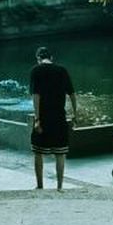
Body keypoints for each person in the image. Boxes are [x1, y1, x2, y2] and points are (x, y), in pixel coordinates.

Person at [29, 45, 77, 190]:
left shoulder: (35, 71)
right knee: (60, 154)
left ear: (38, 59)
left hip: (43, 118)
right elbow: (72, 94)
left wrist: (37, 119)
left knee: (38, 152)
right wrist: (75, 114)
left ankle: (40, 186)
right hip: (59, 117)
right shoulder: (62, 70)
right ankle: (60, 186)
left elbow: (36, 96)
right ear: (51, 58)